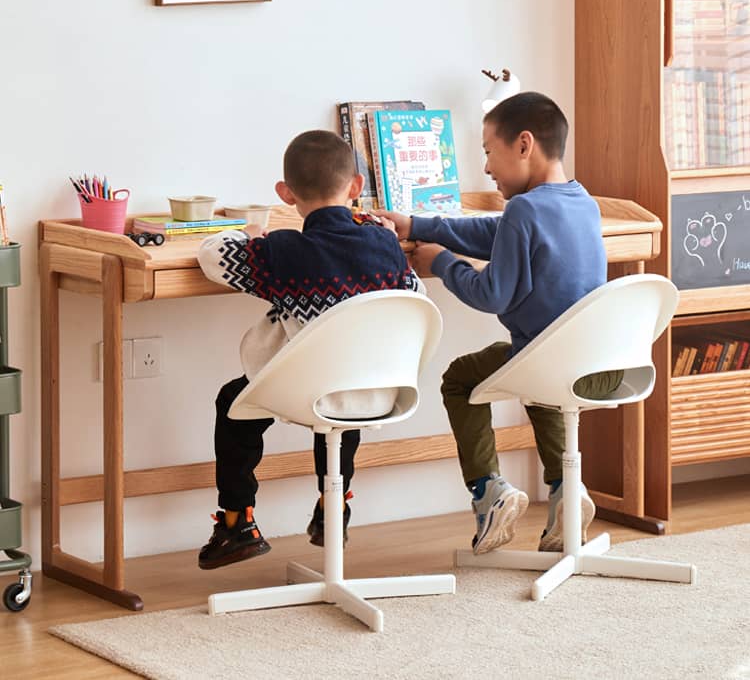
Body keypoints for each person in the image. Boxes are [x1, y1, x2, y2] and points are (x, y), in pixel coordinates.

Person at [377, 92, 623, 554]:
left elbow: (489, 294)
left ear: (524, 144)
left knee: (461, 380)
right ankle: (567, 490)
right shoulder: (581, 203)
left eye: (489, 151)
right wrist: (418, 224)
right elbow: (492, 233)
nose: (487, 167)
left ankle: (490, 491)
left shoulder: (523, 211)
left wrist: (443, 262)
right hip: (588, 359)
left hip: (544, 360)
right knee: (538, 377)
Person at [196, 129, 422, 569]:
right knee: (344, 384)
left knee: (234, 402)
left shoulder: (282, 252)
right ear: (356, 186)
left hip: (309, 391)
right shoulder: (386, 244)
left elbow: (212, 255)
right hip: (377, 390)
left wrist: (250, 235)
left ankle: (236, 521)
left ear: (285, 194)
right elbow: (412, 295)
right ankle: (333, 505)